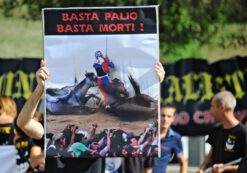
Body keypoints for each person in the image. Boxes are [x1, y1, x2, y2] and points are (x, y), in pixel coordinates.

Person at [18, 59, 165, 173]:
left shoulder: (115, 132)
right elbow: (24, 123)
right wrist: (40, 89)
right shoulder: (56, 130)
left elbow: (147, 120)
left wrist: (154, 84)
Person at [197, 91, 247, 173]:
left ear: (221, 108)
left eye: (212, 106)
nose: (210, 110)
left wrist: (226, 168)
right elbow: (211, 154)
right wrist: (202, 168)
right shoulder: (216, 131)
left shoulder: (244, 132)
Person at [145, 102, 188, 173]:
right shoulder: (146, 133)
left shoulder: (175, 138)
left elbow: (183, 162)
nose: (165, 119)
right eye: (163, 115)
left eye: (169, 116)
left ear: (173, 118)